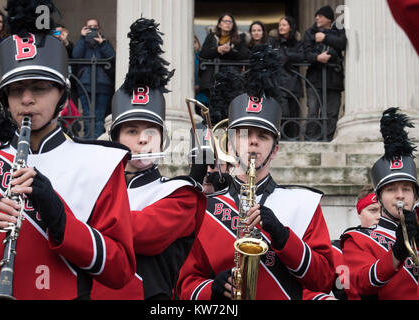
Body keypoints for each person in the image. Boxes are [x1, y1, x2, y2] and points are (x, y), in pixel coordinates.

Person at [0, 0, 135, 300]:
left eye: (40, 87)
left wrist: (61, 222)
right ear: (4, 100)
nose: (27, 99)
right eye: (16, 90)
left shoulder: (101, 163)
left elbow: (120, 270)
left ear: (62, 94)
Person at [177, 45, 335, 300]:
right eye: (244, 135)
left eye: (262, 136)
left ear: (275, 149)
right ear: (229, 145)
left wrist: (283, 237)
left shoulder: (303, 205)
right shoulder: (203, 209)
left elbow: (325, 279)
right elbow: (183, 287)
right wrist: (212, 290)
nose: (253, 142)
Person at [92, 18, 206, 300]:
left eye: (150, 132)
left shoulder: (181, 194)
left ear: (162, 140)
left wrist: (77, 217)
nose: (142, 139)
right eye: (131, 131)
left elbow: (142, 233)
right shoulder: (97, 189)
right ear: (115, 139)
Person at [341, 108, 419, 299]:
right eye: (391, 189)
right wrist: (396, 254)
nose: (400, 196)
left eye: (406, 189)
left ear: (415, 196)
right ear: (379, 197)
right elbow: (359, 284)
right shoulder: (358, 239)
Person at [304, 5, 346, 142]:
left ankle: (326, 141)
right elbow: (305, 53)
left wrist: (324, 38)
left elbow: (343, 43)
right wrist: (317, 58)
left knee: (332, 113)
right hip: (314, 79)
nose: (317, 18)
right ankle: (311, 141)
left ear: (329, 19)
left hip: (334, 79)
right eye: (316, 16)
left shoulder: (339, 30)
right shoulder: (310, 32)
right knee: (313, 112)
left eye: (320, 16)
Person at [72, 18, 115, 139]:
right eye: (89, 27)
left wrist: (102, 43)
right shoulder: (82, 43)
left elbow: (111, 56)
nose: (92, 29)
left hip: (103, 85)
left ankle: (97, 141)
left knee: (100, 115)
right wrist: (82, 38)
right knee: (87, 114)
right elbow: (76, 55)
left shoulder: (104, 42)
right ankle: (88, 140)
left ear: (99, 28)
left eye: (95, 26)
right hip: (85, 84)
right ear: (85, 28)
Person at [198, 13, 248, 109]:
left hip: (231, 78)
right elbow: (203, 53)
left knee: (229, 105)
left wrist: (230, 51)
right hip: (212, 79)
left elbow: (244, 55)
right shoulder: (211, 36)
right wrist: (217, 50)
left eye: (230, 21)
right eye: (225, 21)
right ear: (219, 24)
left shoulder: (239, 38)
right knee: (213, 105)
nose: (228, 23)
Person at [268, 16, 305, 141]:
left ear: (290, 27)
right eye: (280, 25)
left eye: (284, 25)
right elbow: (272, 55)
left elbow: (302, 55)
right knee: (284, 112)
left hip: (294, 81)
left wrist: (286, 56)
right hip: (279, 81)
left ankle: (293, 138)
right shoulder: (274, 41)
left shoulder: (297, 42)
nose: (281, 27)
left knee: (294, 113)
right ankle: (280, 138)